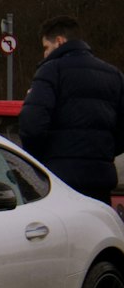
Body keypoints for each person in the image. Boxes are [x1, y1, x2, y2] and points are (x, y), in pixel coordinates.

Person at [18, 15, 124, 206]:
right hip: (101, 183)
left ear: (59, 41)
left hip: (61, 181)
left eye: (46, 48)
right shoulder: (114, 76)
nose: (45, 54)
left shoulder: (51, 71)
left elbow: (31, 125)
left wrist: (42, 160)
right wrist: (102, 153)